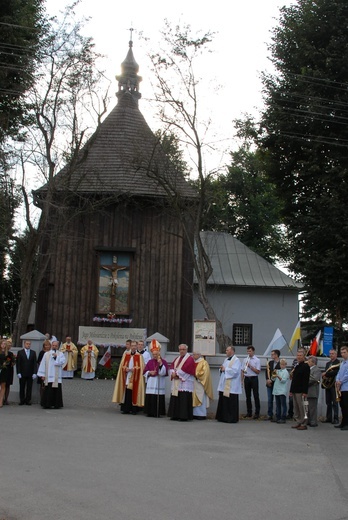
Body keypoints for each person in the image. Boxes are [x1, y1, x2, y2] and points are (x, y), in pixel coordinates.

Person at [112, 340, 145, 414]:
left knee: (134, 392)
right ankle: (126, 408)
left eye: (134, 346)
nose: (133, 347)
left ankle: (134, 409)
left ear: (136, 347)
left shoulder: (139, 356)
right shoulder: (126, 355)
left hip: (135, 377)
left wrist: (134, 369)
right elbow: (122, 366)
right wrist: (125, 368)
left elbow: (142, 367)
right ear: (130, 346)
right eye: (132, 346)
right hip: (127, 376)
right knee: (127, 392)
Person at [167, 344, 196, 421]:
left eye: (183, 349)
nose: (182, 351)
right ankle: (175, 415)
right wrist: (173, 373)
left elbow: (187, 369)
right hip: (177, 381)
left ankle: (183, 416)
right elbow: (172, 366)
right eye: (180, 349)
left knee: (183, 398)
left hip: (185, 382)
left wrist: (176, 374)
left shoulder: (189, 359)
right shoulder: (177, 358)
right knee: (175, 398)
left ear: (186, 350)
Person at [216, 345, 242, 423]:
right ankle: (223, 417)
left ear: (232, 351)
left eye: (227, 350)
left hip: (232, 385)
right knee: (223, 400)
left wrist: (225, 369)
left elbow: (235, 372)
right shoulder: (226, 359)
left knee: (231, 402)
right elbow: (223, 368)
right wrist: (221, 369)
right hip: (224, 384)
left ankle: (231, 417)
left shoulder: (236, 360)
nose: (226, 351)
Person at [143, 340, 168, 417]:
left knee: (158, 397)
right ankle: (149, 412)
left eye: (156, 354)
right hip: (151, 381)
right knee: (151, 397)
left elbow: (164, 372)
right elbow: (144, 372)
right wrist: (150, 372)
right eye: (153, 354)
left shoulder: (163, 361)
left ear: (159, 353)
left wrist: (160, 364)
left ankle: (158, 412)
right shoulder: (150, 362)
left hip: (159, 381)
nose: (155, 356)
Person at [37, 340, 65, 409]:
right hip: (48, 376)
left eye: (56, 346)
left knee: (56, 390)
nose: (54, 347)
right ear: (51, 346)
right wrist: (42, 375)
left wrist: (56, 357)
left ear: (58, 346)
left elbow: (62, 362)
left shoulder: (60, 354)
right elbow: (43, 364)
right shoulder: (46, 354)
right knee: (48, 390)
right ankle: (47, 404)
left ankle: (56, 404)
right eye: (53, 345)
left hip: (56, 376)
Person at [289, 348, 310, 430]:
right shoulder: (297, 366)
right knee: (296, 407)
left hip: (301, 391)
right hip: (295, 390)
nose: (299, 357)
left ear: (304, 356)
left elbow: (306, 380)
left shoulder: (306, 366)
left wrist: (305, 391)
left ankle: (304, 423)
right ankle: (298, 421)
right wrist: (291, 390)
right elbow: (294, 380)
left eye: (300, 355)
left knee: (302, 408)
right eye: (297, 355)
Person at [192, 351, 213, 420]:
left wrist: (196, 375)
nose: (193, 356)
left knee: (200, 397)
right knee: (193, 397)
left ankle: (201, 414)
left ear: (199, 355)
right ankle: (194, 413)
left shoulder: (204, 362)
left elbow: (205, 373)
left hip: (200, 383)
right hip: (193, 382)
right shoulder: (192, 362)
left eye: (195, 354)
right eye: (193, 354)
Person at [241, 345, 261, 419]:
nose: (248, 353)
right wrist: (241, 380)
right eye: (247, 351)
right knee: (248, 396)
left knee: (256, 395)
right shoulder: (245, 359)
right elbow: (242, 370)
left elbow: (258, 371)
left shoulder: (257, 360)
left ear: (253, 351)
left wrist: (250, 366)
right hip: (247, 378)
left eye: (250, 351)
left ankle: (257, 413)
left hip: (254, 378)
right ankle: (249, 412)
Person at [321, 349, 340, 424]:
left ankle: (336, 418)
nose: (331, 355)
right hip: (328, 384)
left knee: (335, 402)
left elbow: (336, 372)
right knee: (328, 402)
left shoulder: (338, 363)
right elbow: (326, 372)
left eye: (332, 354)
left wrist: (326, 374)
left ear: (336, 354)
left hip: (334, 384)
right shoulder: (328, 363)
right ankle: (328, 418)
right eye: (330, 354)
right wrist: (324, 377)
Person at [16, 340, 37, 406]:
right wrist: (18, 372)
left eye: (29, 344)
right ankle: (22, 400)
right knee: (22, 387)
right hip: (22, 373)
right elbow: (18, 363)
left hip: (30, 373)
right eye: (27, 344)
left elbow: (34, 364)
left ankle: (28, 400)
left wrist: (34, 373)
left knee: (29, 387)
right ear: (24, 344)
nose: (28, 345)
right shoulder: (20, 352)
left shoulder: (33, 352)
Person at [272, 358, 289, 423]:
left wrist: (277, 376)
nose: (282, 366)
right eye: (281, 364)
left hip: (282, 391)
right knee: (278, 404)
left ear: (285, 365)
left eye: (283, 364)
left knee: (283, 404)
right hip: (276, 390)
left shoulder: (286, 372)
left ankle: (283, 417)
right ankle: (278, 417)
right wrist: (274, 375)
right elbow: (273, 379)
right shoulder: (278, 371)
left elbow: (283, 381)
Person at [335, 345, 348, 431]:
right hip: (341, 388)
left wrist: (341, 381)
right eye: (341, 353)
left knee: (346, 406)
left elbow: (347, 375)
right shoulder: (342, 363)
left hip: (346, 387)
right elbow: (339, 373)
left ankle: (347, 424)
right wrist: (337, 380)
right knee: (342, 405)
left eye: (344, 352)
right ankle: (343, 422)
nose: (343, 354)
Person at [265, 349, 280, 421]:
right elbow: (267, 371)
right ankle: (269, 414)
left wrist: (272, 379)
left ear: (276, 355)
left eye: (273, 354)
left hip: (276, 383)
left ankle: (277, 414)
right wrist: (267, 379)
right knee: (269, 399)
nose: (271, 356)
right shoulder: (270, 362)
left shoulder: (281, 363)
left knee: (277, 400)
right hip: (269, 383)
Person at [306, 356, 321, 427]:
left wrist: (305, 381)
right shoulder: (308, 369)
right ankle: (308, 420)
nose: (308, 363)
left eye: (309, 361)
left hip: (313, 391)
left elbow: (314, 379)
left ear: (313, 362)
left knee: (312, 408)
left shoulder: (317, 369)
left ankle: (313, 421)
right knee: (308, 407)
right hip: (307, 391)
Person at [0, 339, 15, 407]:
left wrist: (8, 363)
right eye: (2, 344)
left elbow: (12, 362)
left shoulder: (9, 354)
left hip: (5, 371)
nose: (3, 345)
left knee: (3, 386)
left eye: (4, 344)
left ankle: (1, 402)